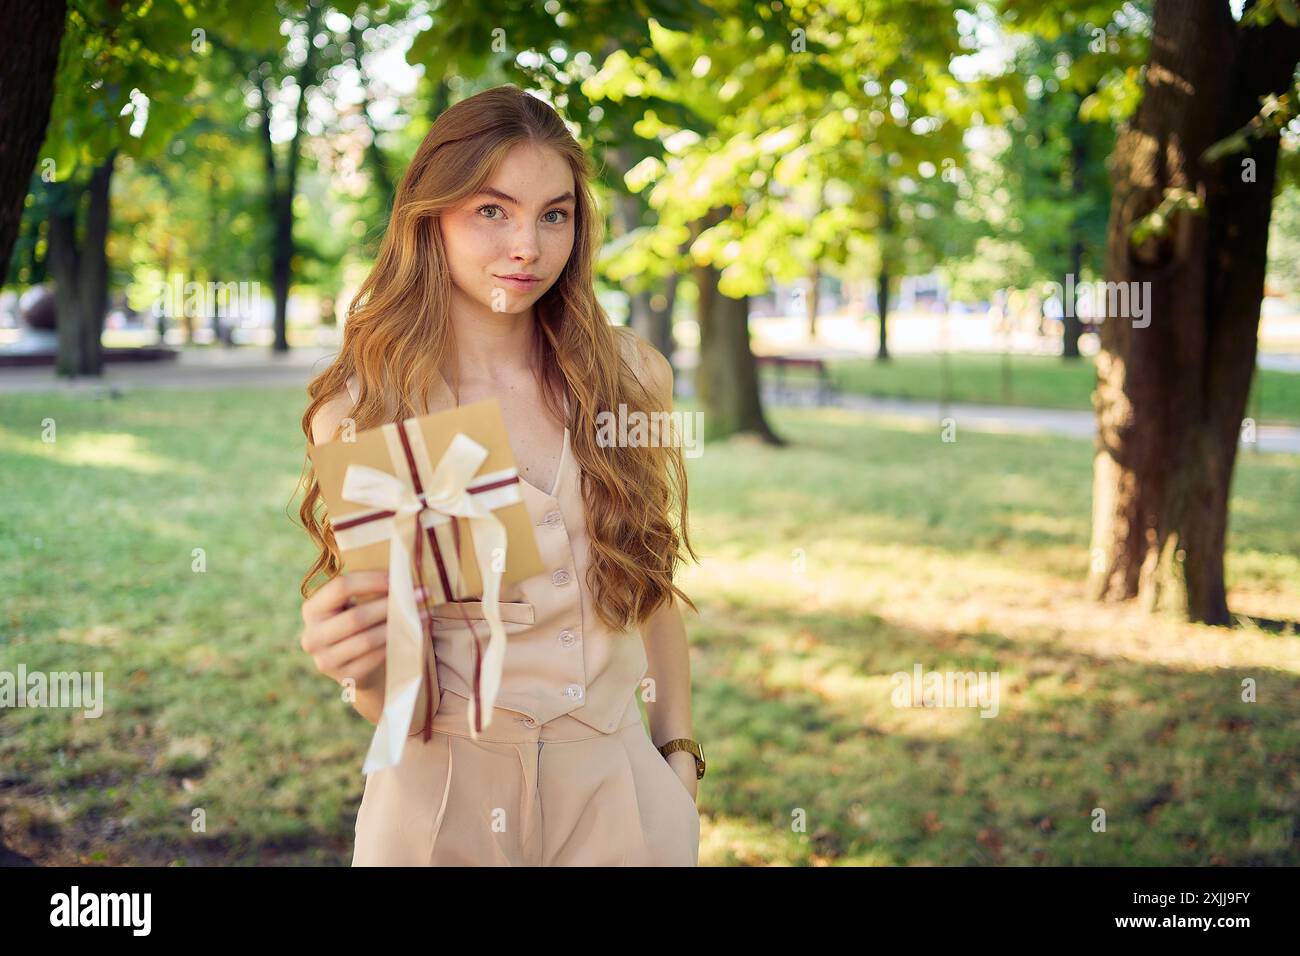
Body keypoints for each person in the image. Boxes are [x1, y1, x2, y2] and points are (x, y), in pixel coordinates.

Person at [296, 85, 704, 866]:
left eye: (554, 214)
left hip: (620, 799)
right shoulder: (376, 407)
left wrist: (678, 758)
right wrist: (360, 665)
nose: (527, 245)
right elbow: (401, 700)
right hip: (443, 800)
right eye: (492, 210)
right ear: (431, 214)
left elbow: (650, 592)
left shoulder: (627, 377)